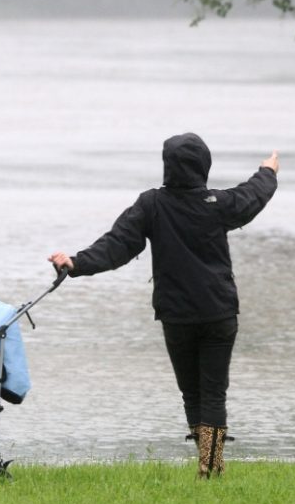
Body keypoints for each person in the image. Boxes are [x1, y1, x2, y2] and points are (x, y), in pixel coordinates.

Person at [49, 133, 279, 478]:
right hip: (219, 312)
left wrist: (77, 262)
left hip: (177, 315)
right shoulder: (217, 203)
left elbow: (118, 245)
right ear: (204, 164)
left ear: (167, 166)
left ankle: (209, 464)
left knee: (192, 392)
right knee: (213, 392)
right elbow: (253, 195)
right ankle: (211, 467)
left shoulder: (152, 205)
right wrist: (268, 171)